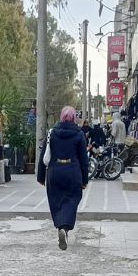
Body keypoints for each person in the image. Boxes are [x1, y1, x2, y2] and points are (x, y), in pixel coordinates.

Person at [38, 105, 89, 250]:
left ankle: (61, 227)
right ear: (74, 117)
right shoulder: (79, 135)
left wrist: (41, 176)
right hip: (73, 172)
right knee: (72, 199)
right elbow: (84, 160)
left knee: (56, 200)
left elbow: (44, 155)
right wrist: (85, 180)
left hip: (55, 172)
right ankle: (64, 228)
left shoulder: (52, 133)